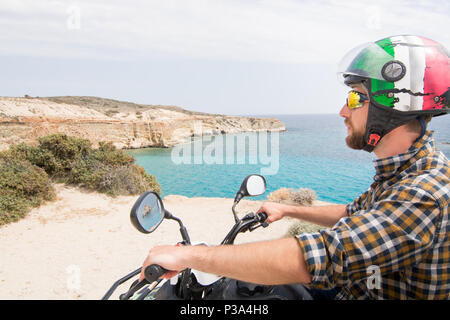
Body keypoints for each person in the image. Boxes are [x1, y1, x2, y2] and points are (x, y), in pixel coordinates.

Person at [139, 35, 449, 299]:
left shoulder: (426, 191)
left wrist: (190, 256)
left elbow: (323, 256)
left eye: (357, 98)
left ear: (393, 105)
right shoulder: (406, 170)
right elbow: (354, 214)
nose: (343, 111)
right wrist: (288, 210)